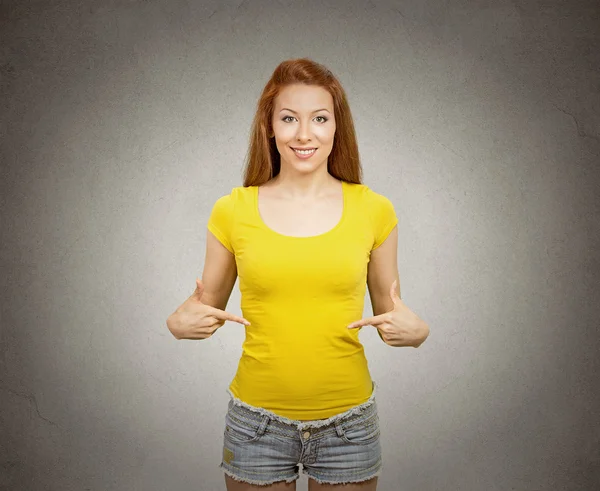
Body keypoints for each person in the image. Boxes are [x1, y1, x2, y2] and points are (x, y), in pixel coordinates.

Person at [166, 58, 430, 491]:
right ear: (269, 127)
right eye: (289, 118)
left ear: (336, 127)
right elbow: (203, 308)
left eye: (319, 119)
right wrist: (178, 322)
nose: (304, 133)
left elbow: (389, 314)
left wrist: (416, 330)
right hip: (256, 426)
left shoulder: (374, 210)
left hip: (349, 426)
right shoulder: (232, 209)